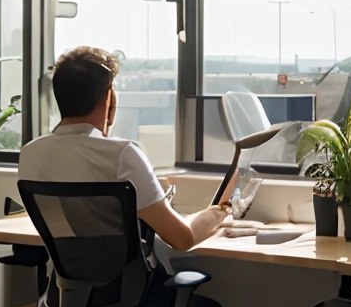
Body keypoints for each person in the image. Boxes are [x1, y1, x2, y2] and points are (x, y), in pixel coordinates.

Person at [18, 46, 234, 252]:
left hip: (64, 283)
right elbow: (182, 239)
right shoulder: (122, 154)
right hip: (129, 286)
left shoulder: (30, 153)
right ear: (109, 97)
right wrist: (219, 211)